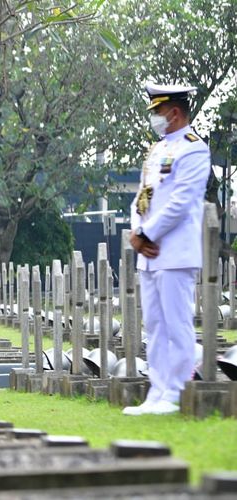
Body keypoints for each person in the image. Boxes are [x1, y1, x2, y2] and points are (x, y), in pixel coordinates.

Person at [124, 83, 212, 416]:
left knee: (177, 325)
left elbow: (181, 202)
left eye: (158, 112)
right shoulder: (157, 150)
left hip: (173, 253)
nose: (155, 119)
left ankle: (175, 392)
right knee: (155, 326)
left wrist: (146, 233)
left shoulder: (194, 149)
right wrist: (136, 230)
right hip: (149, 255)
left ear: (174, 112)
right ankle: (157, 392)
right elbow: (143, 196)